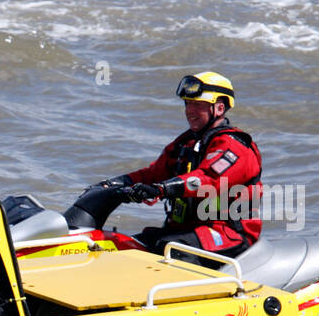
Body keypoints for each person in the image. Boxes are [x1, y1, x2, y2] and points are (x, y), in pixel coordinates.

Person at [94, 72, 264, 256]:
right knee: (123, 246)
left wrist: (162, 189)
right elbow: (152, 174)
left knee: (169, 249)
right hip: (185, 232)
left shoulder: (235, 146)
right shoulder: (185, 144)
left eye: (197, 105)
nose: (189, 110)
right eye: (188, 103)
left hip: (227, 233)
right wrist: (113, 184)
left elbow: (209, 179)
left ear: (220, 108)